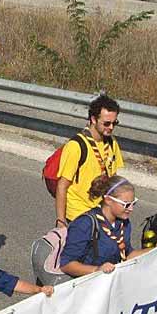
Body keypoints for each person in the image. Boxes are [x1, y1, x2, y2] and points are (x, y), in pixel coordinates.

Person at [60, 175, 157, 279]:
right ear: (108, 200)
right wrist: (97, 270)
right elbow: (66, 264)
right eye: (126, 204)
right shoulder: (85, 224)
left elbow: (127, 255)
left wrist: (155, 249)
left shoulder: (123, 223)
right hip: (89, 285)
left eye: (133, 203)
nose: (131, 209)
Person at [55, 95, 123, 227]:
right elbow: (62, 186)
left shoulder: (112, 143)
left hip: (101, 214)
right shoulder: (76, 146)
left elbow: (113, 179)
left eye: (114, 123)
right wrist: (61, 221)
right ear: (93, 119)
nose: (111, 127)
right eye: (106, 123)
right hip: (78, 215)